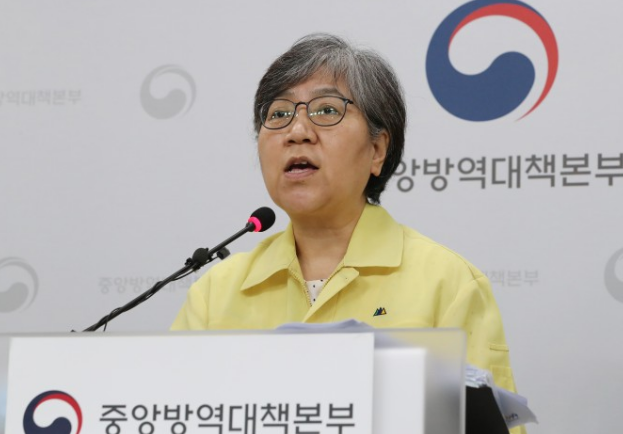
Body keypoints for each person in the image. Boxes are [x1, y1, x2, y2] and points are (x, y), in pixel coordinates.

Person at [172, 32, 521, 422]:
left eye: (326, 110)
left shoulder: (449, 284)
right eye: (279, 114)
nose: (297, 132)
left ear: (377, 150)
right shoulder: (215, 295)